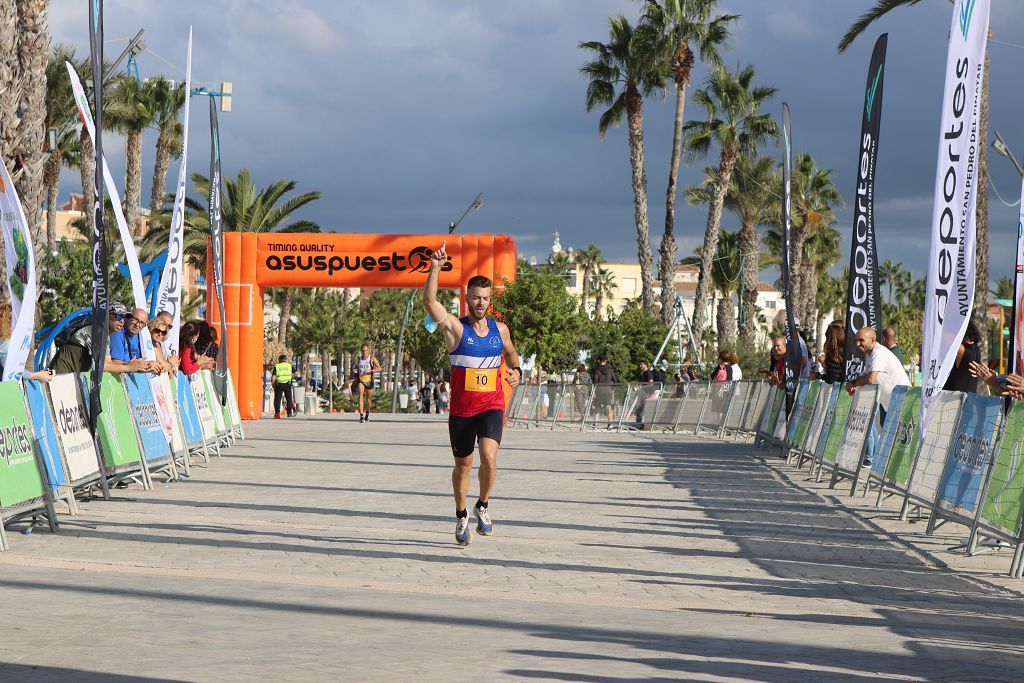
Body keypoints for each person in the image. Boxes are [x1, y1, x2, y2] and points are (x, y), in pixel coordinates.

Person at [423, 240, 521, 546]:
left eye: (485, 298)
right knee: (463, 465)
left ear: (490, 300)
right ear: (467, 298)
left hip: (491, 405)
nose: (481, 303)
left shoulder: (500, 330)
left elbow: (513, 354)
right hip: (461, 412)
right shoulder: (455, 329)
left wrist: (517, 371)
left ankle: (483, 505)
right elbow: (429, 302)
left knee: (489, 458)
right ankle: (462, 513)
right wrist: (435, 267)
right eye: (476, 298)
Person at [846, 327, 911, 425]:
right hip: (891, 405)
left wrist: (854, 383)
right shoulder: (869, 354)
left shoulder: (879, 352)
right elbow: (865, 377)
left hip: (903, 402)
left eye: (861, 340)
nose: (857, 344)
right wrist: (852, 384)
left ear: (872, 340)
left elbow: (871, 379)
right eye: (856, 340)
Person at [943, 321, 980, 394]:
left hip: (953, 399)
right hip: (969, 397)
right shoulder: (975, 349)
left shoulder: (963, 350)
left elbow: (942, 335)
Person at [355, 343, 382, 423]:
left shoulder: (372, 358)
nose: (364, 352)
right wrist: (355, 370)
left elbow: (380, 368)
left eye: (366, 351)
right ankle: (361, 416)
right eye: (363, 351)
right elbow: (357, 367)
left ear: (368, 351)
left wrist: (370, 370)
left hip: (370, 381)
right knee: (360, 395)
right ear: (361, 351)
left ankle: (367, 413)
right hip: (361, 380)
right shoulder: (359, 359)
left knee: (368, 399)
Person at [592, 353, 617, 424]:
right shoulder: (610, 370)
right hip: (608, 390)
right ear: (606, 361)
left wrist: (594, 392)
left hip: (598, 391)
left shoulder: (596, 370)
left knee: (597, 407)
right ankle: (610, 424)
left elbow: (595, 382)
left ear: (598, 361)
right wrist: (611, 389)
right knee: (609, 407)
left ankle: (595, 423)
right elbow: (615, 381)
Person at [821, 320, 846, 384]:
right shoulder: (853, 347)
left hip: (842, 390)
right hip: (858, 388)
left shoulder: (833, 352)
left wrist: (818, 376)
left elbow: (833, 377)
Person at [271, 354, 296, 418]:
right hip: (287, 384)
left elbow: (273, 377)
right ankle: (289, 413)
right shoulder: (289, 365)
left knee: (277, 399)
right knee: (289, 399)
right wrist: (290, 377)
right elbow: (296, 373)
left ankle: (277, 414)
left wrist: (273, 385)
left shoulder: (277, 366)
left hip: (279, 384)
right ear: (286, 359)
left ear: (279, 359)